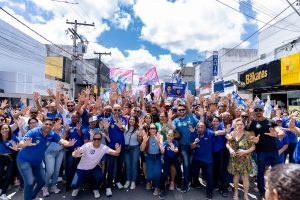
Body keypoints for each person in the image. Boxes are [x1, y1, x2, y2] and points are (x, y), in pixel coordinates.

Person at [16, 118, 76, 200]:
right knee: (29, 183)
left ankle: (31, 196)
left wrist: (69, 143)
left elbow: (61, 141)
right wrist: (25, 144)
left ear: (52, 126)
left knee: (42, 182)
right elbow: (20, 144)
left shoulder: (52, 134)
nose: (48, 126)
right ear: (42, 124)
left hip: (37, 161)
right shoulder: (33, 132)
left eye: (50, 125)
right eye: (46, 124)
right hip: (24, 160)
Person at [246, 104, 285, 199]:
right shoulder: (252, 123)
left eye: (260, 110)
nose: (258, 112)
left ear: (263, 111)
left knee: (277, 172)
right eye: (256, 110)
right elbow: (251, 135)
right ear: (254, 112)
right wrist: (253, 139)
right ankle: (262, 191)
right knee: (260, 172)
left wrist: (277, 134)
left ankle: (277, 191)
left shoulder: (271, 121)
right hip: (261, 152)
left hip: (273, 151)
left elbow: (280, 132)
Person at [71, 132, 121, 198]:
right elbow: (76, 152)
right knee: (73, 185)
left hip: (93, 168)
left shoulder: (104, 147)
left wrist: (117, 151)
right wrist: (75, 154)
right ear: (93, 139)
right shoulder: (87, 145)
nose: (97, 140)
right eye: (95, 139)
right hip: (82, 169)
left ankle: (96, 189)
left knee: (100, 177)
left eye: (99, 139)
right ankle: (76, 188)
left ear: (101, 139)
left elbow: (113, 152)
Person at [171, 104, 199, 192]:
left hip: (193, 145)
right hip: (183, 146)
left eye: (183, 109)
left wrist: (194, 130)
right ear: (177, 112)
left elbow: (200, 125)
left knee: (191, 164)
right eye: (179, 110)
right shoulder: (175, 120)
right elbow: (172, 128)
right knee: (186, 165)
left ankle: (190, 180)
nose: (182, 111)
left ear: (185, 110)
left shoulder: (191, 117)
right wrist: (169, 118)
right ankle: (186, 185)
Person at [226, 118, 255, 200]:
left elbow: (253, 147)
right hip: (234, 159)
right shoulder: (232, 133)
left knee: (245, 178)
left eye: (241, 124)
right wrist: (230, 149)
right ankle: (236, 192)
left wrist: (245, 151)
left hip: (245, 159)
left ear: (244, 125)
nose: (239, 126)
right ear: (235, 125)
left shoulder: (248, 134)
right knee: (236, 177)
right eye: (237, 124)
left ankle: (246, 194)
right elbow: (227, 144)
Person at [104, 104, 127, 197]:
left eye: (118, 110)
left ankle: (117, 181)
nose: (117, 111)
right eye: (115, 110)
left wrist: (121, 126)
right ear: (112, 110)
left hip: (121, 147)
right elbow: (106, 134)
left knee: (120, 166)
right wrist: (105, 128)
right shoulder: (108, 119)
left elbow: (124, 128)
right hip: (112, 147)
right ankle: (108, 186)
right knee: (111, 167)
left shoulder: (123, 119)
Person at [190, 122, 215, 200]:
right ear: (197, 128)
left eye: (202, 127)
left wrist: (226, 131)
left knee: (209, 176)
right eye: (199, 127)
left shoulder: (209, 132)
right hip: (197, 158)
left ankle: (209, 192)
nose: (200, 129)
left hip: (208, 160)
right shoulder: (194, 134)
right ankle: (196, 183)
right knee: (194, 172)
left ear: (205, 127)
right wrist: (195, 143)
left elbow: (217, 133)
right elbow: (191, 147)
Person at [42, 118, 66, 197]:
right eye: (56, 122)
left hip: (60, 152)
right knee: (50, 171)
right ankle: (45, 187)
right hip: (50, 153)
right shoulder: (48, 130)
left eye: (60, 122)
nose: (59, 123)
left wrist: (64, 130)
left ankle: (53, 185)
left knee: (56, 171)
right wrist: (55, 130)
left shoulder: (63, 129)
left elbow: (63, 139)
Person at [140, 123, 164, 196]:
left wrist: (159, 142)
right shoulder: (146, 137)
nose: (152, 130)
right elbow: (141, 149)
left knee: (157, 173)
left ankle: (156, 188)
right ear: (149, 130)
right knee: (149, 175)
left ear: (156, 129)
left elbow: (162, 151)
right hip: (149, 157)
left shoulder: (160, 136)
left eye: (154, 128)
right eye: (151, 128)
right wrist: (144, 141)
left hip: (157, 157)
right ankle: (149, 182)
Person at [159, 130, 182, 199]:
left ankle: (179, 183)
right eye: (169, 135)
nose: (170, 137)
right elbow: (162, 152)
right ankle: (162, 189)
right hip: (167, 158)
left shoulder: (175, 142)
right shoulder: (165, 143)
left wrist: (173, 149)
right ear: (166, 135)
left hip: (174, 157)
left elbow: (177, 150)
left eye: (171, 136)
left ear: (173, 136)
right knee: (165, 173)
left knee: (179, 169)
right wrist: (162, 149)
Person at [0, 124, 19, 200]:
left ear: (9, 129)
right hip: (0, 158)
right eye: (3, 129)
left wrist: (16, 149)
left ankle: (3, 193)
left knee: (8, 175)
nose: (5, 130)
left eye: (6, 128)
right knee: (0, 174)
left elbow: (19, 145)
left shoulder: (13, 137)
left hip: (10, 157)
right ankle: (1, 188)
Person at [124, 115, 141, 190]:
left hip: (135, 148)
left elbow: (139, 141)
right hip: (127, 148)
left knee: (134, 165)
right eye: (130, 119)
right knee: (127, 165)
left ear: (135, 121)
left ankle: (133, 181)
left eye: (133, 120)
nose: (132, 121)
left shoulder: (138, 129)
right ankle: (128, 180)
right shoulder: (125, 128)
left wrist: (140, 136)